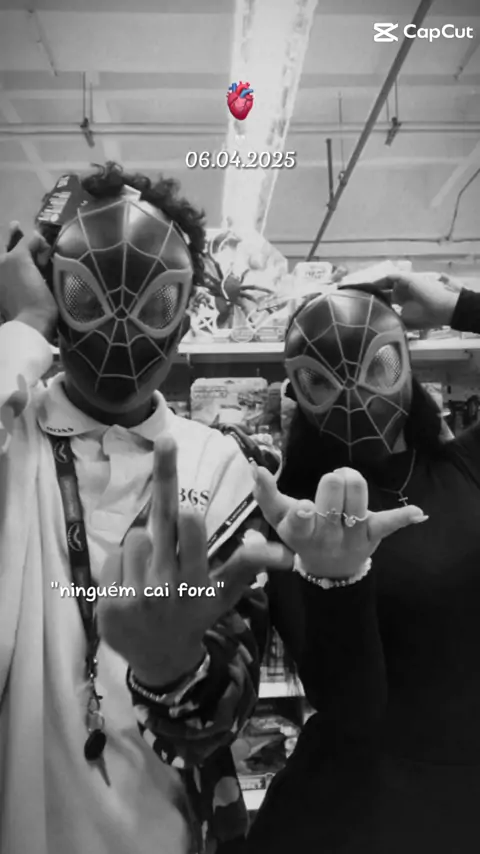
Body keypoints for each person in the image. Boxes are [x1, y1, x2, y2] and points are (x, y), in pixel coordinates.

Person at [0, 163, 422, 854]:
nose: (121, 327)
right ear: (51, 287)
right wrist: (20, 329)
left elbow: (223, 707)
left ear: (185, 310)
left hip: (166, 830)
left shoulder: (220, 466)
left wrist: (174, 668)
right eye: (86, 293)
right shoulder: (14, 434)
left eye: (154, 303)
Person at [244, 275, 480, 853]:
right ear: (298, 391)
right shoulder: (301, 519)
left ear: (406, 364)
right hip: (365, 816)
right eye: (321, 380)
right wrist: (336, 579)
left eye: (378, 365)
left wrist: (458, 306)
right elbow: (350, 706)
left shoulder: (464, 467)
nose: (354, 393)